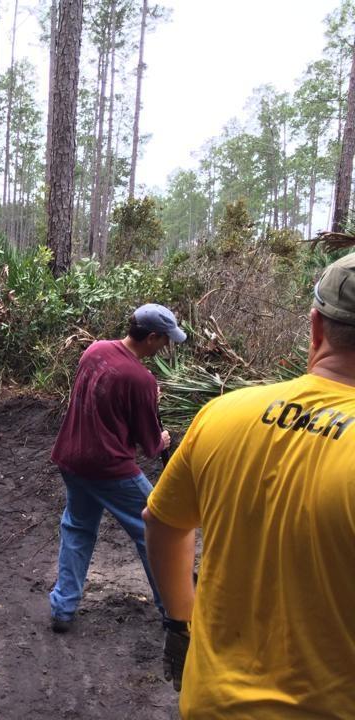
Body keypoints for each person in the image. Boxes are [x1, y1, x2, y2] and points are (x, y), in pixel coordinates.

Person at [143, 254, 355, 718]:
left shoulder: (224, 413)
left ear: (316, 328)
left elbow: (161, 522)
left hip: (211, 703)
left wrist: (181, 625)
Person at [48, 303, 186, 633]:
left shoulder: (95, 350)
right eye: (165, 340)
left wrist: (144, 394)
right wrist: (164, 438)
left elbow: (105, 400)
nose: (166, 347)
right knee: (158, 531)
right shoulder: (141, 379)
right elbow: (151, 446)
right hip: (110, 469)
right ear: (151, 337)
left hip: (72, 456)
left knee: (78, 528)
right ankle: (174, 613)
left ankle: (63, 609)